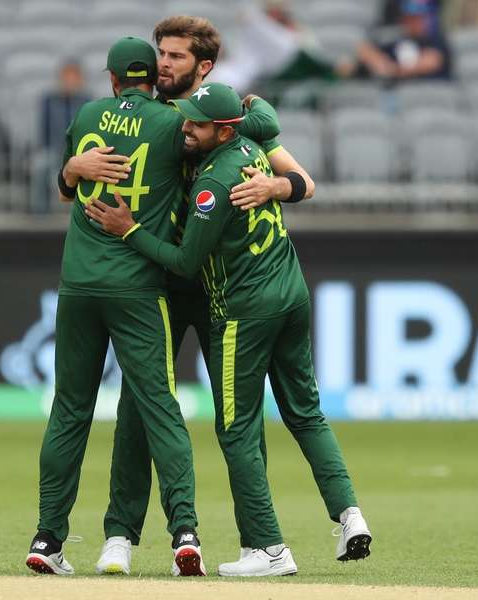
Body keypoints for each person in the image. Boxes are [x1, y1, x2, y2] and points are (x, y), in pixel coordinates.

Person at [85, 82, 373, 577]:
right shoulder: (253, 147)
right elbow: (260, 111)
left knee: (237, 429)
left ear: (221, 130)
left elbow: (184, 261)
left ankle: (267, 548)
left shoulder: (213, 185)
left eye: (196, 124)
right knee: (306, 413)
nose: (187, 130)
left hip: (245, 311)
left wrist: (129, 230)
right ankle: (351, 516)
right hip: (292, 293)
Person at [64, 15, 316, 576]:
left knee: (237, 417)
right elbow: (81, 165)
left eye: (175, 56)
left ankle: (261, 542)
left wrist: (277, 183)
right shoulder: (148, 117)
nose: (163, 63)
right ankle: (119, 538)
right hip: (157, 280)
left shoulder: (218, 120)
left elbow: (302, 178)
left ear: (204, 67)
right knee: (140, 406)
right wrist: (72, 166)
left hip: (213, 284)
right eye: (159, 52)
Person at [25, 37, 206, 578]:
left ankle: (47, 538)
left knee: (69, 411)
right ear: (156, 77)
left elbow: (64, 188)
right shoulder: (174, 122)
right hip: (136, 284)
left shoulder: (85, 113)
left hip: (78, 284)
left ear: (110, 79)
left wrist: (73, 169)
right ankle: (185, 533)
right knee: (159, 407)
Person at [33, 60, 92, 212]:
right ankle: (41, 215)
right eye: (67, 77)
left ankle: (83, 214)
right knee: (40, 165)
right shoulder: (48, 100)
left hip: (79, 152)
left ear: (80, 79)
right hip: (53, 150)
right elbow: (43, 130)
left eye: (74, 77)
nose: (70, 81)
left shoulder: (87, 102)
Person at [346, 0, 452, 82]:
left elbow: (432, 61)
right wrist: (380, 63)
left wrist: (395, 71)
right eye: (409, 18)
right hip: (393, 95)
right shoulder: (395, 38)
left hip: (427, 92)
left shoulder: (435, 39)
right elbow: (363, 49)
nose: (413, 22)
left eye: (417, 18)